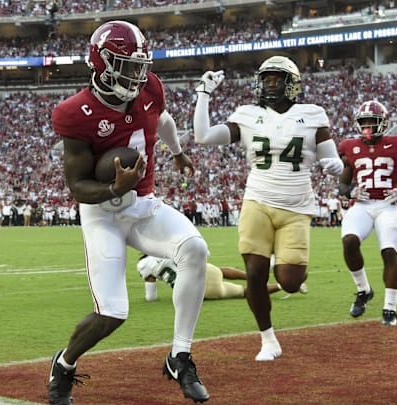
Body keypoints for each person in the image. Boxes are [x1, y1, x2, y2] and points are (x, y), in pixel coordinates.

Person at [49, 21, 209, 405]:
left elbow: (162, 119)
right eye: (125, 65)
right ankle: (65, 365)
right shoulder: (75, 112)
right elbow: (78, 187)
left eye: (139, 65)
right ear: (100, 63)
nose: (136, 75)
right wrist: (113, 189)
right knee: (113, 313)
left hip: (142, 204)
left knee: (195, 251)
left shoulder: (151, 88)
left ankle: (180, 357)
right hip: (101, 211)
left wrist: (177, 151)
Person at [192, 55, 344, 360]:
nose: (270, 84)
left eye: (277, 79)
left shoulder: (313, 114)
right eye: (266, 79)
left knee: (289, 281)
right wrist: (203, 96)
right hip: (257, 201)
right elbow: (203, 136)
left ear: (292, 84)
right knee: (255, 274)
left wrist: (334, 166)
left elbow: (334, 159)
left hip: (296, 207)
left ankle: (289, 265)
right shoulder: (246, 114)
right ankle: (267, 338)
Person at [337, 100, 397, 326]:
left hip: (387, 205)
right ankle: (363, 290)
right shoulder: (349, 147)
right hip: (362, 206)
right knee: (349, 241)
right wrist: (352, 191)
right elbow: (343, 185)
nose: (367, 127)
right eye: (363, 122)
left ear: (383, 123)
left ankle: (390, 309)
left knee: (389, 252)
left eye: (371, 122)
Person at [136, 255, 308, 301]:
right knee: (220, 270)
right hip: (203, 271)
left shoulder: (145, 265)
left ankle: (281, 286)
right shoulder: (165, 246)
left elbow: (151, 297)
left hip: (197, 292)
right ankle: (255, 275)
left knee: (246, 292)